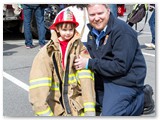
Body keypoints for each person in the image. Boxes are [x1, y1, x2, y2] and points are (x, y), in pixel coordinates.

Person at [74, 4, 154, 116]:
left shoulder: (122, 32)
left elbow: (120, 67)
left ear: (108, 11)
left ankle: (142, 99)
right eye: (92, 14)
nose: (96, 18)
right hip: (105, 75)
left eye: (100, 13)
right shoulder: (93, 31)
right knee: (89, 102)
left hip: (124, 80)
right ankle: (106, 99)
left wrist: (89, 63)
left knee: (110, 114)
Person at [29, 9, 95, 116]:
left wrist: (90, 111)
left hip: (76, 105)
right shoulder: (47, 51)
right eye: (64, 29)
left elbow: (87, 81)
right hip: (56, 106)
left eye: (71, 29)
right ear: (57, 29)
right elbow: (38, 85)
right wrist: (43, 112)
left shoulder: (80, 48)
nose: (68, 33)